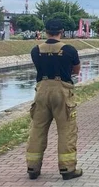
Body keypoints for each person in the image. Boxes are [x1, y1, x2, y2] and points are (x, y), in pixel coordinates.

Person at [25, 19, 82, 180]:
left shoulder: (36, 50)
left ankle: (33, 167)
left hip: (41, 91)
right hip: (62, 91)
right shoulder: (69, 50)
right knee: (66, 130)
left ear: (45, 31)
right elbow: (76, 71)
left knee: (37, 129)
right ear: (61, 32)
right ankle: (67, 168)